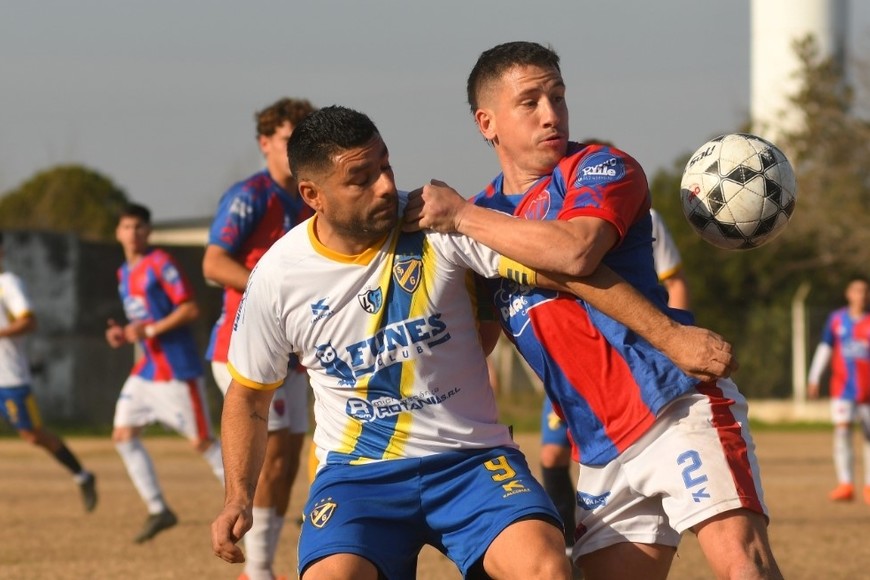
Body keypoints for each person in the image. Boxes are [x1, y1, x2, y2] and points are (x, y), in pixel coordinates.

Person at [210, 105, 735, 579]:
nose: (386, 186)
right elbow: (248, 397)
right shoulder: (276, 276)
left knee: (547, 569)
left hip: (473, 463)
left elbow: (570, 274)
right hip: (359, 479)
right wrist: (237, 496)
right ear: (312, 196)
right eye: (361, 179)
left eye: (386, 165)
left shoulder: (438, 227)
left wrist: (671, 336)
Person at [404, 41, 781, 579]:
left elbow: (576, 252)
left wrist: (461, 216)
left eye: (557, 96)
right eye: (529, 102)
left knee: (743, 563)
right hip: (601, 450)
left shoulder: (601, 167)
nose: (551, 113)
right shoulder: (487, 216)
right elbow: (477, 341)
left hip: (672, 406)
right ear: (487, 123)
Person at [203, 97, 316, 580]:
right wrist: (268, 287)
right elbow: (213, 263)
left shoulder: (311, 197)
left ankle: (264, 565)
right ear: (265, 143)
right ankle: (261, 571)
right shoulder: (250, 195)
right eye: (288, 140)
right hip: (243, 346)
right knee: (269, 461)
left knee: (288, 459)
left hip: (289, 354)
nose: (296, 150)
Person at [537, 206, 692, 555]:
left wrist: (678, 337)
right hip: (573, 361)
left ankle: (645, 527)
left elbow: (675, 280)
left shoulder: (644, 214)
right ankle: (567, 542)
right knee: (551, 454)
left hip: (629, 357)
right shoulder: (551, 215)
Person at [105, 203, 224, 543]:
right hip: (147, 370)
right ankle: (159, 510)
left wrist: (151, 331)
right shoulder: (123, 273)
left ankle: (256, 508)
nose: (133, 233)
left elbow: (190, 307)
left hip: (176, 369)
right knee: (123, 436)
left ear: (149, 232)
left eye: (139, 227)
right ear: (118, 232)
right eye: (127, 227)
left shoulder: (161, 264)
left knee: (202, 442)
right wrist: (125, 332)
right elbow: (142, 321)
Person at [0, 231, 97, 513]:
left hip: (10, 378)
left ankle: (83, 475)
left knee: (32, 435)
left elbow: (29, 323)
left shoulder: (8, 284)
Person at [807, 275, 870, 504]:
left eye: (864, 291)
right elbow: (825, 347)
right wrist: (814, 377)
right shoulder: (836, 320)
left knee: (868, 437)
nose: (861, 295)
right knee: (842, 431)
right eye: (856, 290)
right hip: (842, 388)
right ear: (848, 293)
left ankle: (869, 487)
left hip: (867, 392)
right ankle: (846, 484)